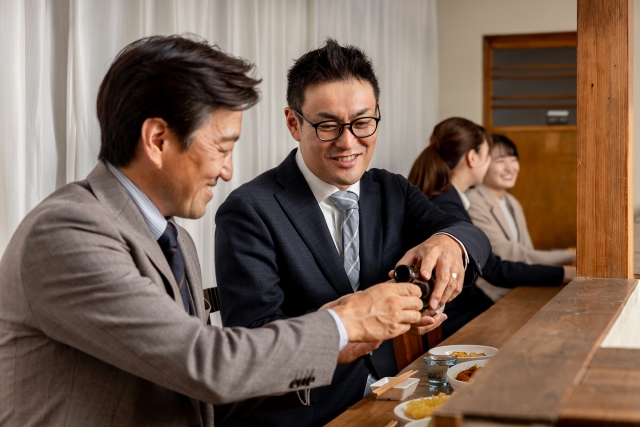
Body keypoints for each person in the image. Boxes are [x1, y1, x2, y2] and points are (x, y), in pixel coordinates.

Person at [0, 35, 428, 427]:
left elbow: (202, 395)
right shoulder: (66, 232)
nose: (227, 171)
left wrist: (335, 348)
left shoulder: (176, 239)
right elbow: (204, 362)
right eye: (222, 148)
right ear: (157, 140)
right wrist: (342, 324)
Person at [215, 39, 491, 427]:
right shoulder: (249, 210)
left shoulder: (390, 190)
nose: (348, 142)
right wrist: (351, 323)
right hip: (310, 413)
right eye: (327, 126)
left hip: (396, 391)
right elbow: (253, 347)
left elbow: (471, 235)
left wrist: (448, 243)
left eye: (362, 123)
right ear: (294, 123)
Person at [408, 117, 575, 333]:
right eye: (489, 157)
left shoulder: (450, 199)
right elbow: (495, 269)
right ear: (472, 158)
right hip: (448, 322)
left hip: (455, 314)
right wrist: (564, 274)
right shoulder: (447, 205)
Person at [467, 134, 577, 266]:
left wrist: (567, 254)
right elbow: (510, 254)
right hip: (495, 285)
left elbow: (527, 251)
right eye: (500, 161)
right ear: (483, 163)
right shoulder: (473, 200)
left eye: (513, 159)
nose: (510, 168)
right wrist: (568, 256)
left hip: (519, 280)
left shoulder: (512, 202)